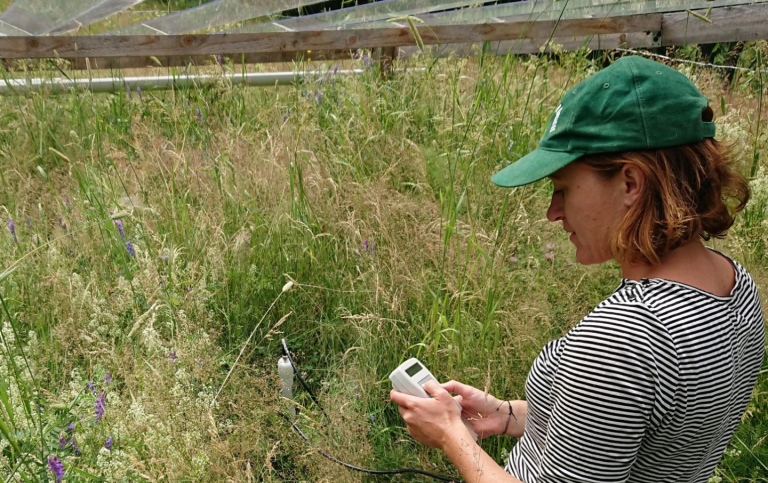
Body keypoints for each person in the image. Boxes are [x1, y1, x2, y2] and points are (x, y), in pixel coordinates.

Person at [390, 55, 766, 482]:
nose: (553, 212)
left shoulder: (624, 337)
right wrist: (506, 415)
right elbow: (627, 423)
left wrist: (450, 435)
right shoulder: (736, 285)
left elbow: (619, 379)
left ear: (630, 183)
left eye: (563, 188)